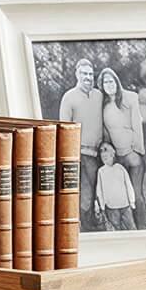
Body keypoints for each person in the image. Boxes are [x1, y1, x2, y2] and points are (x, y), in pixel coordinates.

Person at [58, 57, 105, 223]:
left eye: (91, 74)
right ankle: (87, 227)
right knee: (86, 192)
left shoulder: (99, 95)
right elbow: (64, 129)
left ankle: (93, 220)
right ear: (76, 74)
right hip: (82, 153)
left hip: (101, 153)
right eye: (84, 73)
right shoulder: (69, 97)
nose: (88, 77)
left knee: (98, 190)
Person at [99, 68, 146, 228]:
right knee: (124, 195)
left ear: (117, 81)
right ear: (102, 85)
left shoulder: (130, 98)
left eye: (111, 80)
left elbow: (137, 125)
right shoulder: (103, 104)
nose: (109, 84)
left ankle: (143, 230)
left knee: (137, 195)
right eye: (105, 82)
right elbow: (106, 132)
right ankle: (130, 229)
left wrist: (138, 150)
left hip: (132, 154)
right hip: (117, 156)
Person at [93, 145, 137, 231]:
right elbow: (99, 189)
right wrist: (101, 205)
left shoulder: (120, 168)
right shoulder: (101, 171)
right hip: (111, 207)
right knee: (116, 228)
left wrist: (132, 201)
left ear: (113, 155)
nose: (104, 159)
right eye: (103, 157)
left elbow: (128, 185)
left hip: (125, 205)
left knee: (131, 227)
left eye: (106, 156)